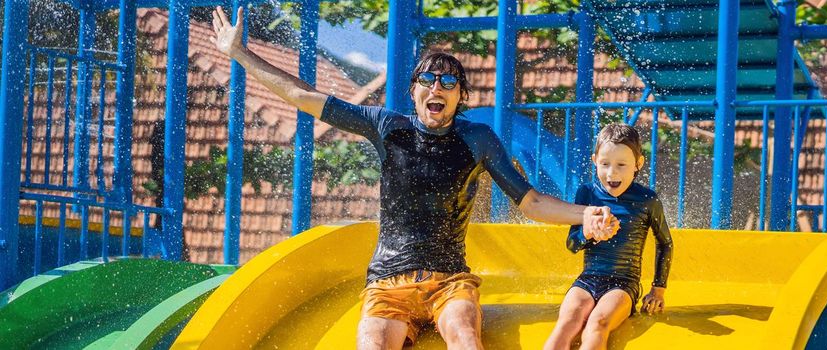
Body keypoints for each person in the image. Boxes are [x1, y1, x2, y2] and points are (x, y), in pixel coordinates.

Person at [210, 7, 619, 350]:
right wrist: (240, 54)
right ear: (413, 91)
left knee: (464, 338)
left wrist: (585, 214)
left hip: (449, 283)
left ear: (461, 97)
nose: (436, 86)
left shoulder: (477, 139)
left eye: (448, 81)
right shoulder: (388, 127)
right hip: (387, 284)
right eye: (427, 79)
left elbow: (529, 201)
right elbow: (303, 97)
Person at [543, 123, 674, 350]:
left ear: (638, 164)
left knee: (598, 323)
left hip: (623, 285)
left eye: (621, 165)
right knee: (567, 323)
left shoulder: (647, 200)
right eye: (605, 164)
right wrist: (588, 231)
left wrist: (658, 290)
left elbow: (665, 243)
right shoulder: (587, 193)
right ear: (594, 160)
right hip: (587, 279)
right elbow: (572, 244)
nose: (612, 173)